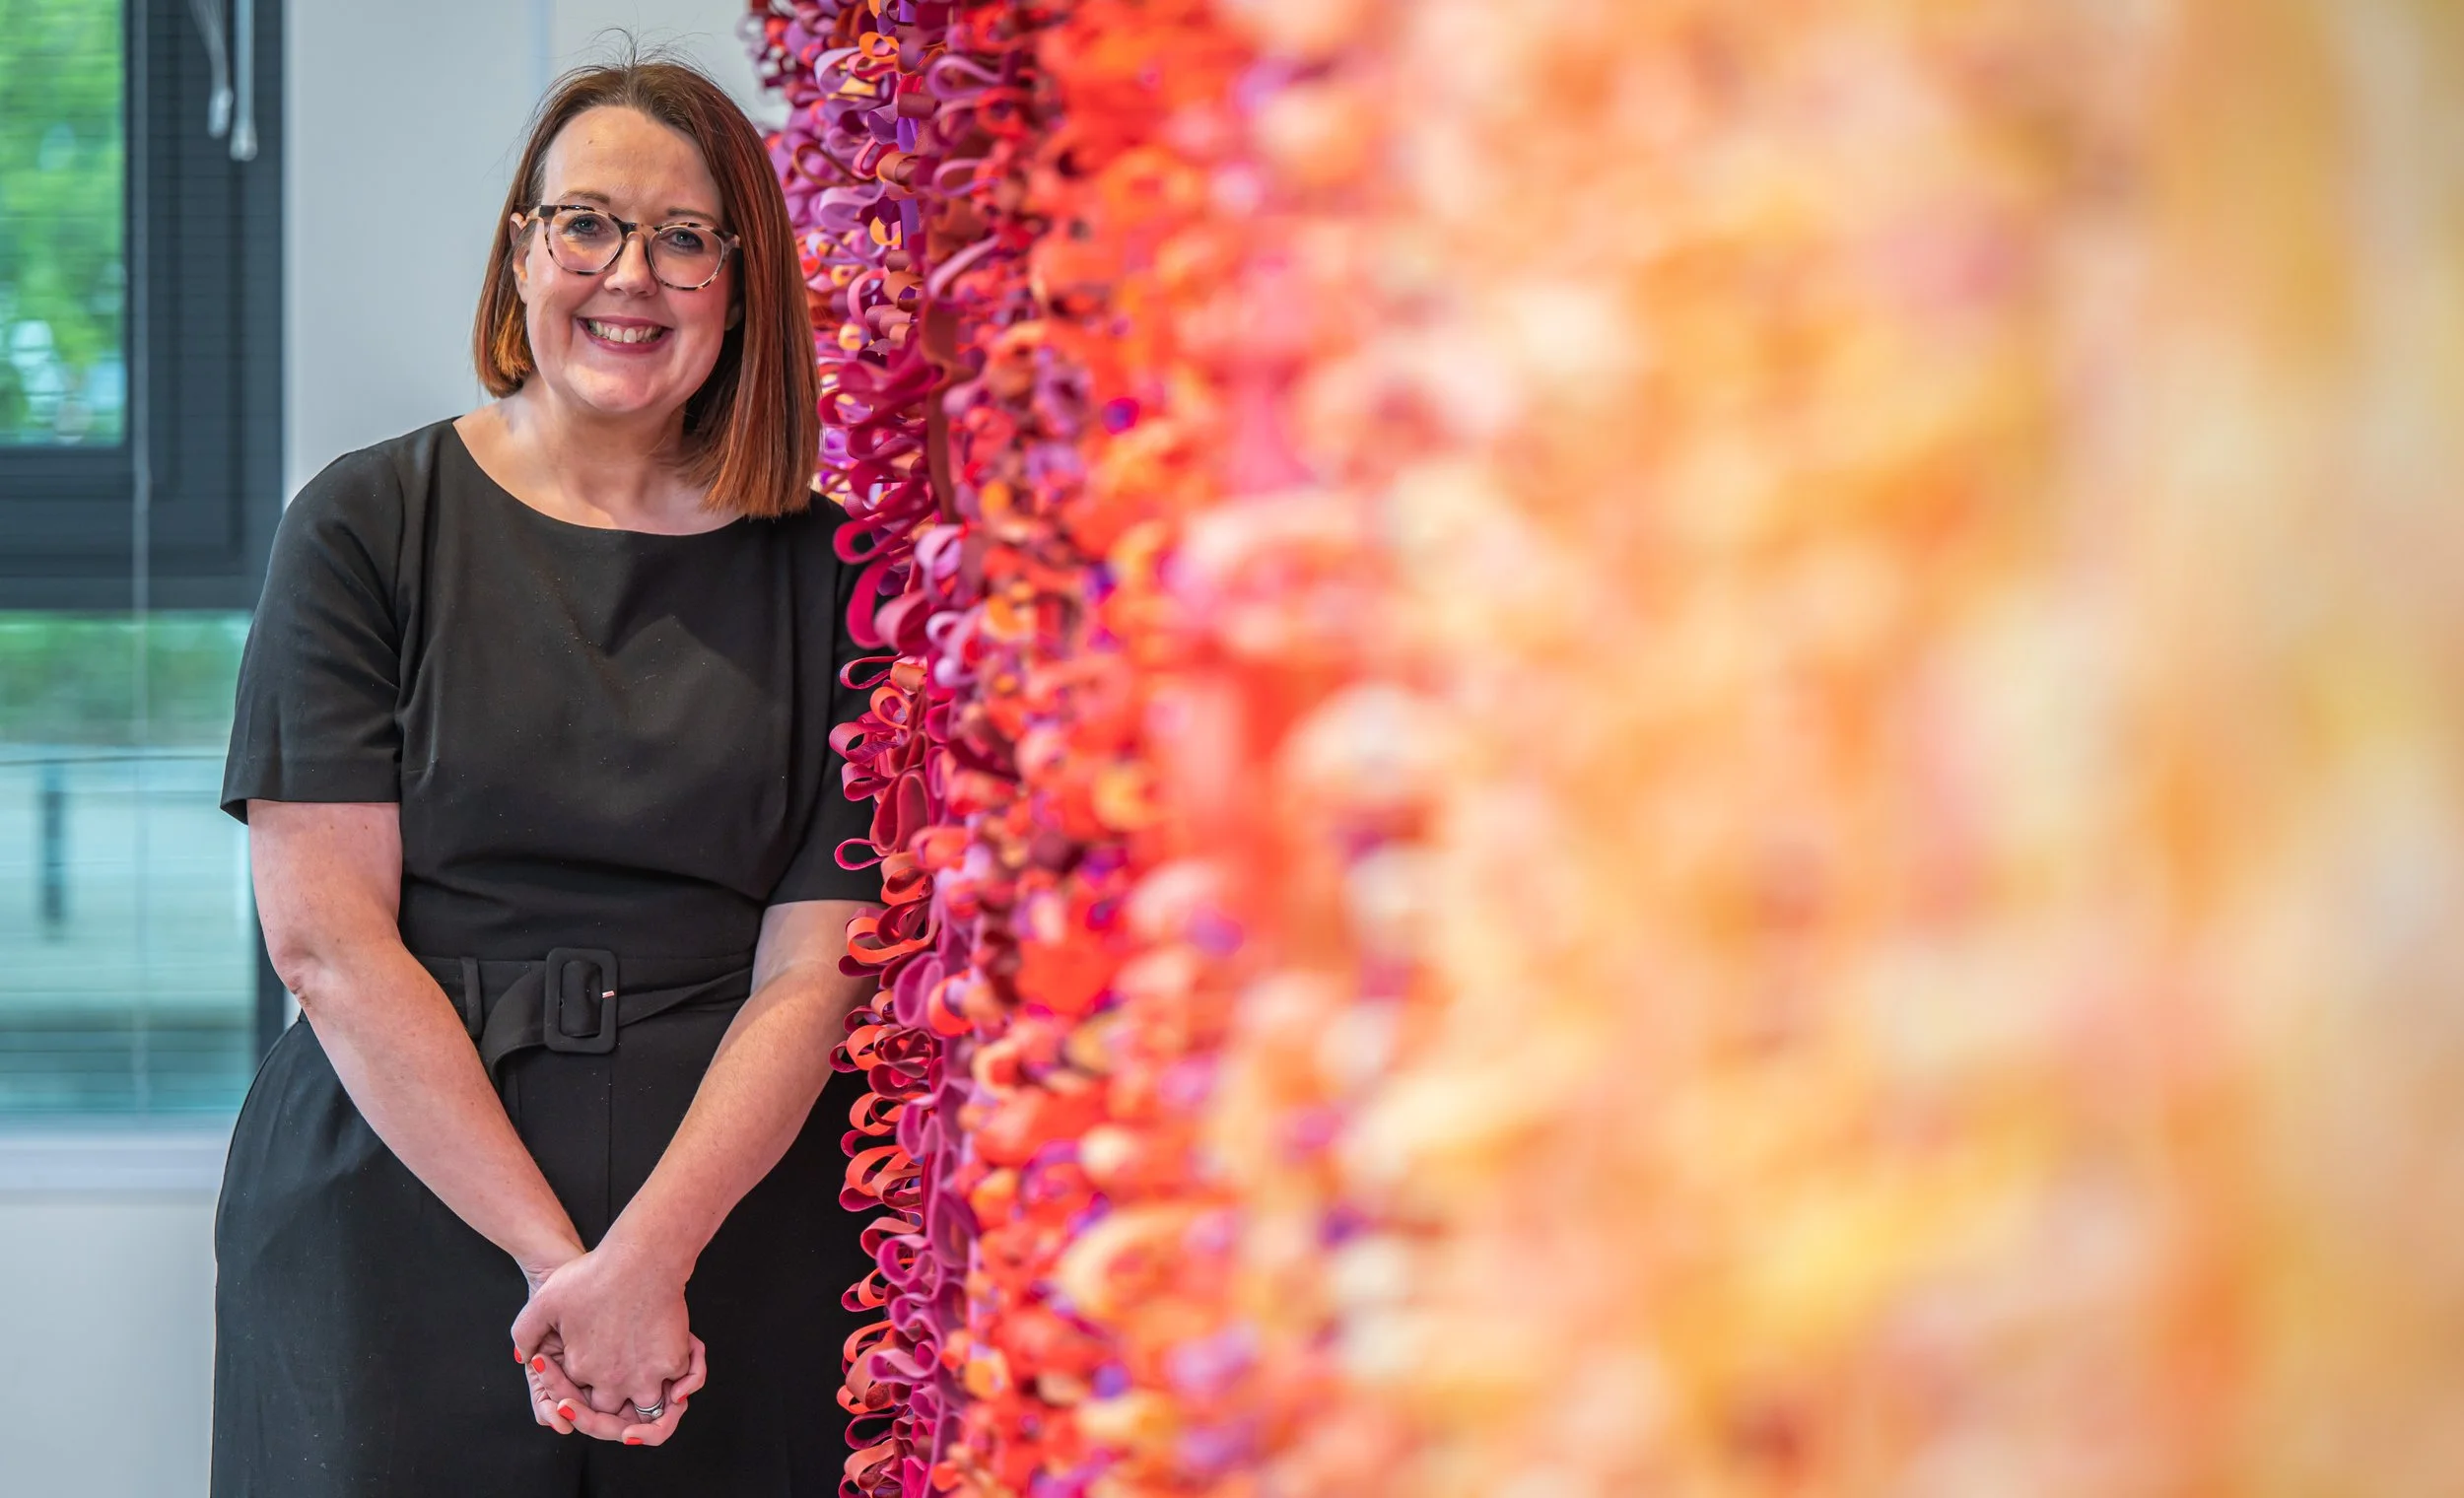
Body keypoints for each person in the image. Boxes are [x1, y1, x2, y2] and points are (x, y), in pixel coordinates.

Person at [212, 57, 881, 1496]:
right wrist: (558, 1261)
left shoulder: (836, 574)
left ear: (743, 279)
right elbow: (325, 942)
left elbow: (817, 970)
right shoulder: (363, 528)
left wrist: (650, 1259)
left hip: (734, 1234)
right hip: (396, 1215)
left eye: (685, 238)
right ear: (521, 250)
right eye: (587, 224)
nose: (629, 275)